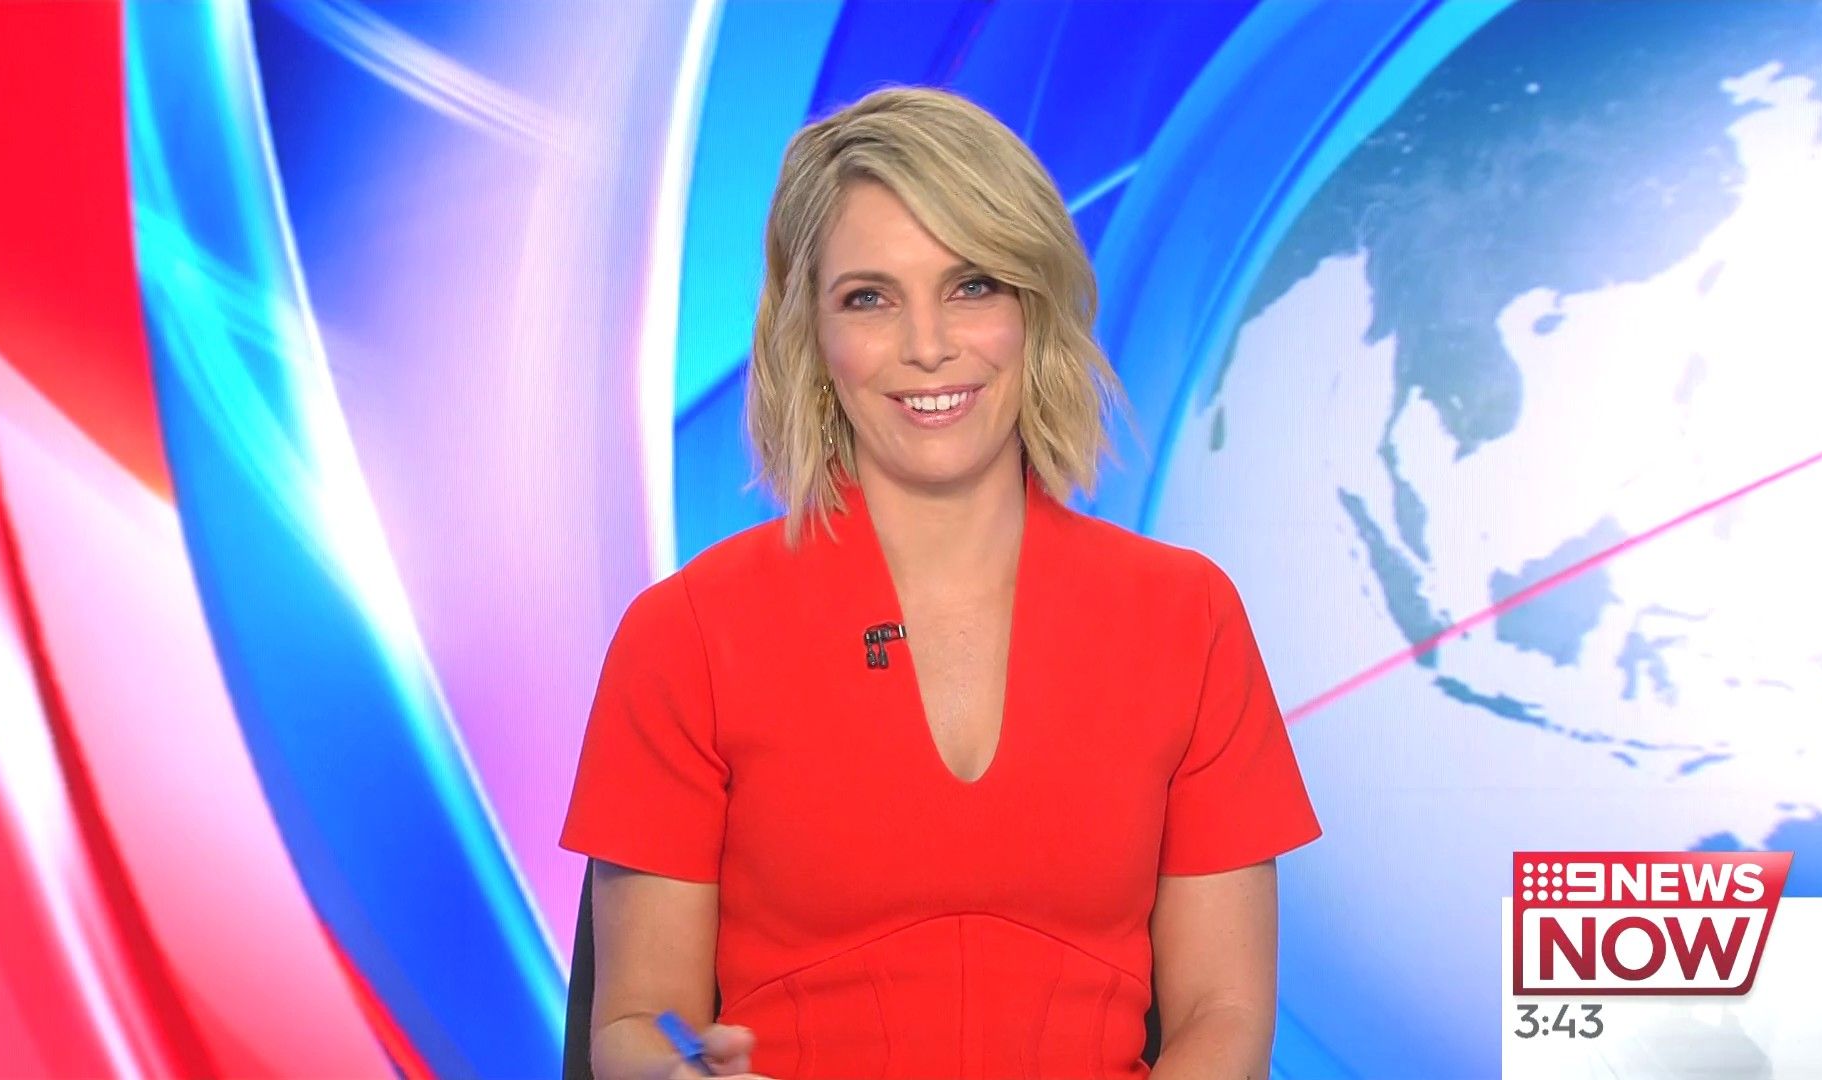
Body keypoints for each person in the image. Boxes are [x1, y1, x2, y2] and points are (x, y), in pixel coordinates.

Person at [560, 85, 1321, 1080]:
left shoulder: (1188, 617)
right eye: (869, 298)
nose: (928, 346)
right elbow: (632, 1026)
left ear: (1033, 308)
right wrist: (678, 1073)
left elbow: (1224, 1014)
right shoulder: (688, 633)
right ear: (812, 337)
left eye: (972, 286)